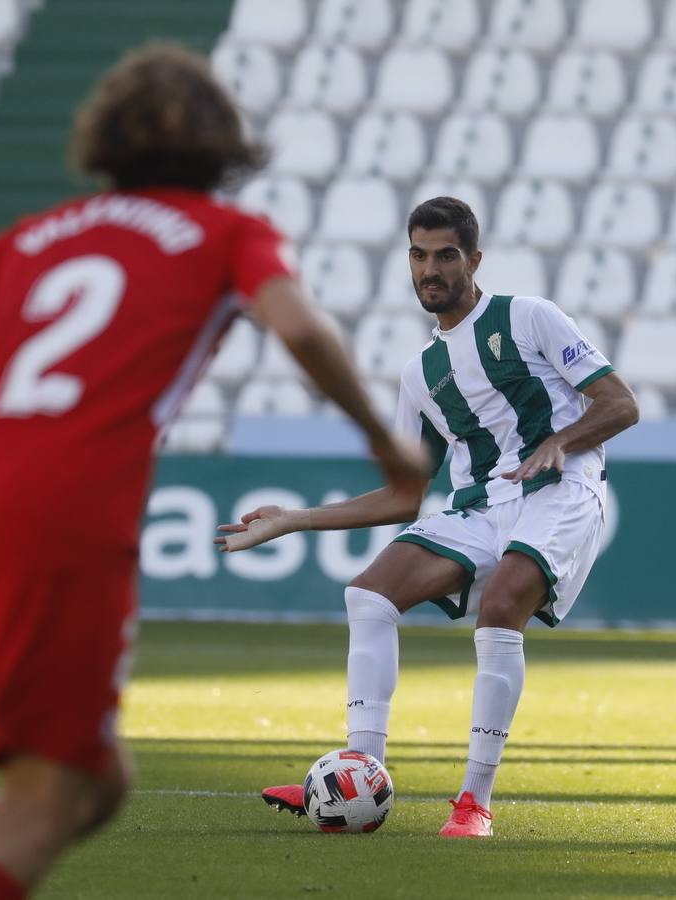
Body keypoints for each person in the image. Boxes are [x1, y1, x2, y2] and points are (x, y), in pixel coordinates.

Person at [0, 43, 425, 900]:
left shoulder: (37, 235)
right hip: (64, 518)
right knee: (52, 797)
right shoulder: (229, 232)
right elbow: (299, 329)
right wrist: (380, 437)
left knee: (90, 781)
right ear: (222, 145)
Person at [220, 197, 640, 838]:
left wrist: (563, 441)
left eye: (446, 255)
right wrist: (295, 519)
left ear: (474, 260)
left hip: (562, 490)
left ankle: (475, 801)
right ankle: (359, 772)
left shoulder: (528, 318)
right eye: (419, 256)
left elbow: (621, 403)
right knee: (368, 594)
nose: (431, 270)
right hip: (480, 508)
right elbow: (402, 496)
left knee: (501, 607)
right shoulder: (421, 373)